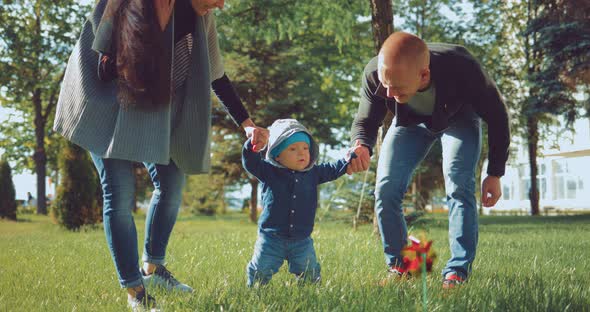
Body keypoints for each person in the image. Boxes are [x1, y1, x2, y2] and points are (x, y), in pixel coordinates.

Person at [53, 0, 268, 310]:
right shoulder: (125, 4)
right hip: (104, 105)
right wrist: (155, 31)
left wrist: (247, 124)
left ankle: (152, 269)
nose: (221, 5)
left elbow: (216, 74)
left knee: (171, 184)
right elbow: (103, 70)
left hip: (152, 109)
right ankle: (135, 292)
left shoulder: (200, 16)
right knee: (120, 193)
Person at [347, 32, 510, 288]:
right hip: (409, 123)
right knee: (386, 189)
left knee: (458, 184)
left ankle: (457, 273)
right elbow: (366, 120)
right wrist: (361, 145)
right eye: (384, 84)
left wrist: (495, 173)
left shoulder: (463, 68)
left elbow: (498, 116)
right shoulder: (377, 76)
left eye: (396, 87)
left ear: (424, 75)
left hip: (459, 117)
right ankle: (401, 267)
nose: (387, 93)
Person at [242, 119, 353, 287]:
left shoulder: (313, 173)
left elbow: (333, 169)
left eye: (305, 148)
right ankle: (255, 292)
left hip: (302, 240)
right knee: (261, 271)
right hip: (271, 239)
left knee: (309, 272)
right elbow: (251, 162)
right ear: (277, 155)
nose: (301, 153)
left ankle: (310, 294)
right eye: (293, 149)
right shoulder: (268, 171)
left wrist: (349, 160)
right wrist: (252, 146)